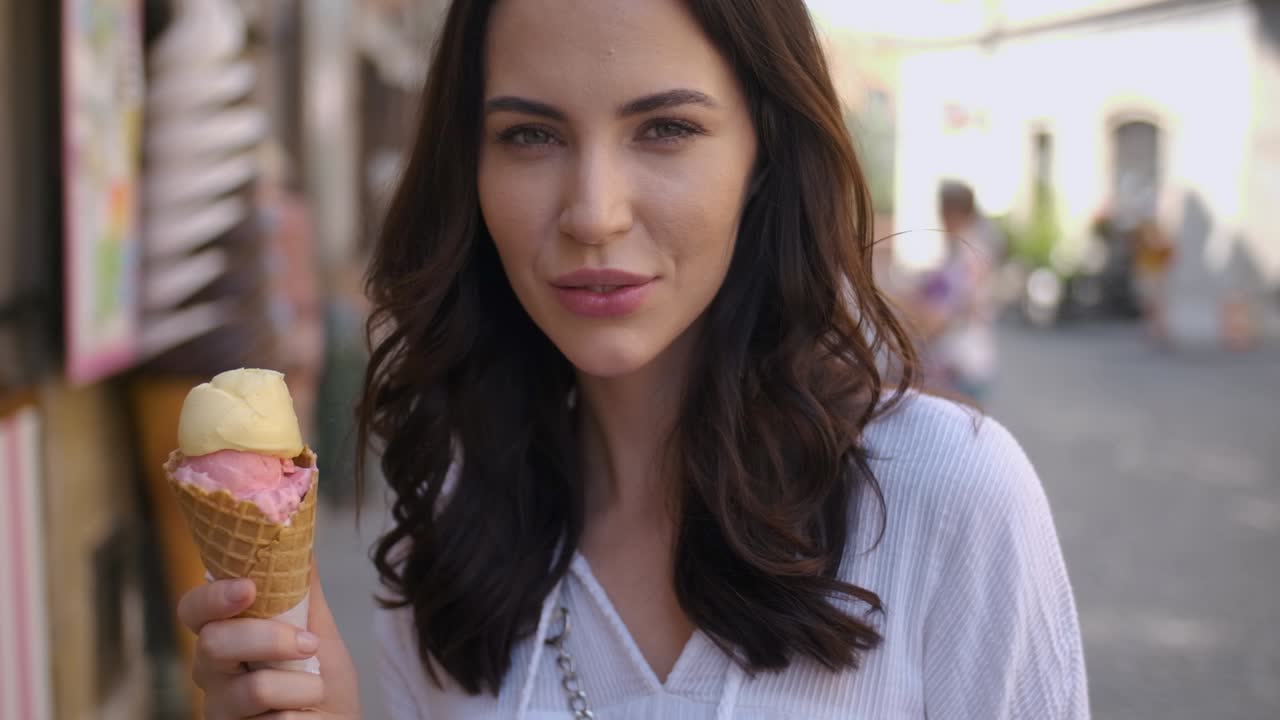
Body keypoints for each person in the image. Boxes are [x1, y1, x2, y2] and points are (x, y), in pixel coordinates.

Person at [176, 2, 1089, 718]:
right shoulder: (448, 540)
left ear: (764, 155)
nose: (593, 212)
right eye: (530, 135)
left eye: (665, 129)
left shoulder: (948, 495)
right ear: (474, 171)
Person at [902, 181, 1004, 403]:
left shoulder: (968, 254)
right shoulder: (959, 249)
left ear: (957, 212)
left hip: (959, 363)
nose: (939, 216)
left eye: (943, 209)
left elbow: (946, 312)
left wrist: (913, 334)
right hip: (956, 361)